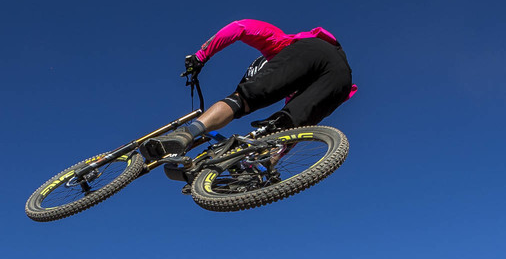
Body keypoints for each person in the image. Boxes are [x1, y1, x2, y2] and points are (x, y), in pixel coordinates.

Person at [141, 19, 357, 160]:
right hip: (342, 82)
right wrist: (272, 160)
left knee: (243, 99)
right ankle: (257, 170)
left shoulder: (282, 44)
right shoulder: (298, 87)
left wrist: (201, 56)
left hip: (314, 51)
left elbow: (240, 27)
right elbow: (293, 133)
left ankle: (186, 135)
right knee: (286, 126)